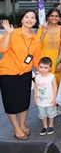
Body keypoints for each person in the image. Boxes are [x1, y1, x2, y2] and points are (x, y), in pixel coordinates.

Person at [0, 11, 41, 140]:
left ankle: (22, 125)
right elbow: (2, 49)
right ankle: (16, 128)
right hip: (8, 72)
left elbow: (36, 59)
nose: (29, 20)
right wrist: (9, 34)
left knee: (24, 101)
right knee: (11, 102)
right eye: (26, 17)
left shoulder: (35, 39)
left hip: (25, 73)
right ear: (21, 19)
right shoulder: (13, 33)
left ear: (35, 21)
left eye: (33, 18)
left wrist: (43, 74)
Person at [38, 8, 61, 89]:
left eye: (56, 16)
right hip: (44, 64)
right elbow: (38, 45)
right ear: (48, 17)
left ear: (59, 18)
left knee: (58, 90)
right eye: (52, 16)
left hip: (57, 62)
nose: (54, 18)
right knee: (45, 89)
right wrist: (43, 34)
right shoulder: (41, 29)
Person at [34, 57, 57, 136]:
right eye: (41, 67)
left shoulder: (51, 77)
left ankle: (51, 125)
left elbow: (55, 88)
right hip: (40, 100)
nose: (43, 69)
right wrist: (35, 98)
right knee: (42, 114)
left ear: (50, 68)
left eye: (45, 68)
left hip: (49, 100)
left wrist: (54, 99)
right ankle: (44, 126)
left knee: (50, 113)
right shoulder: (37, 77)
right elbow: (36, 88)